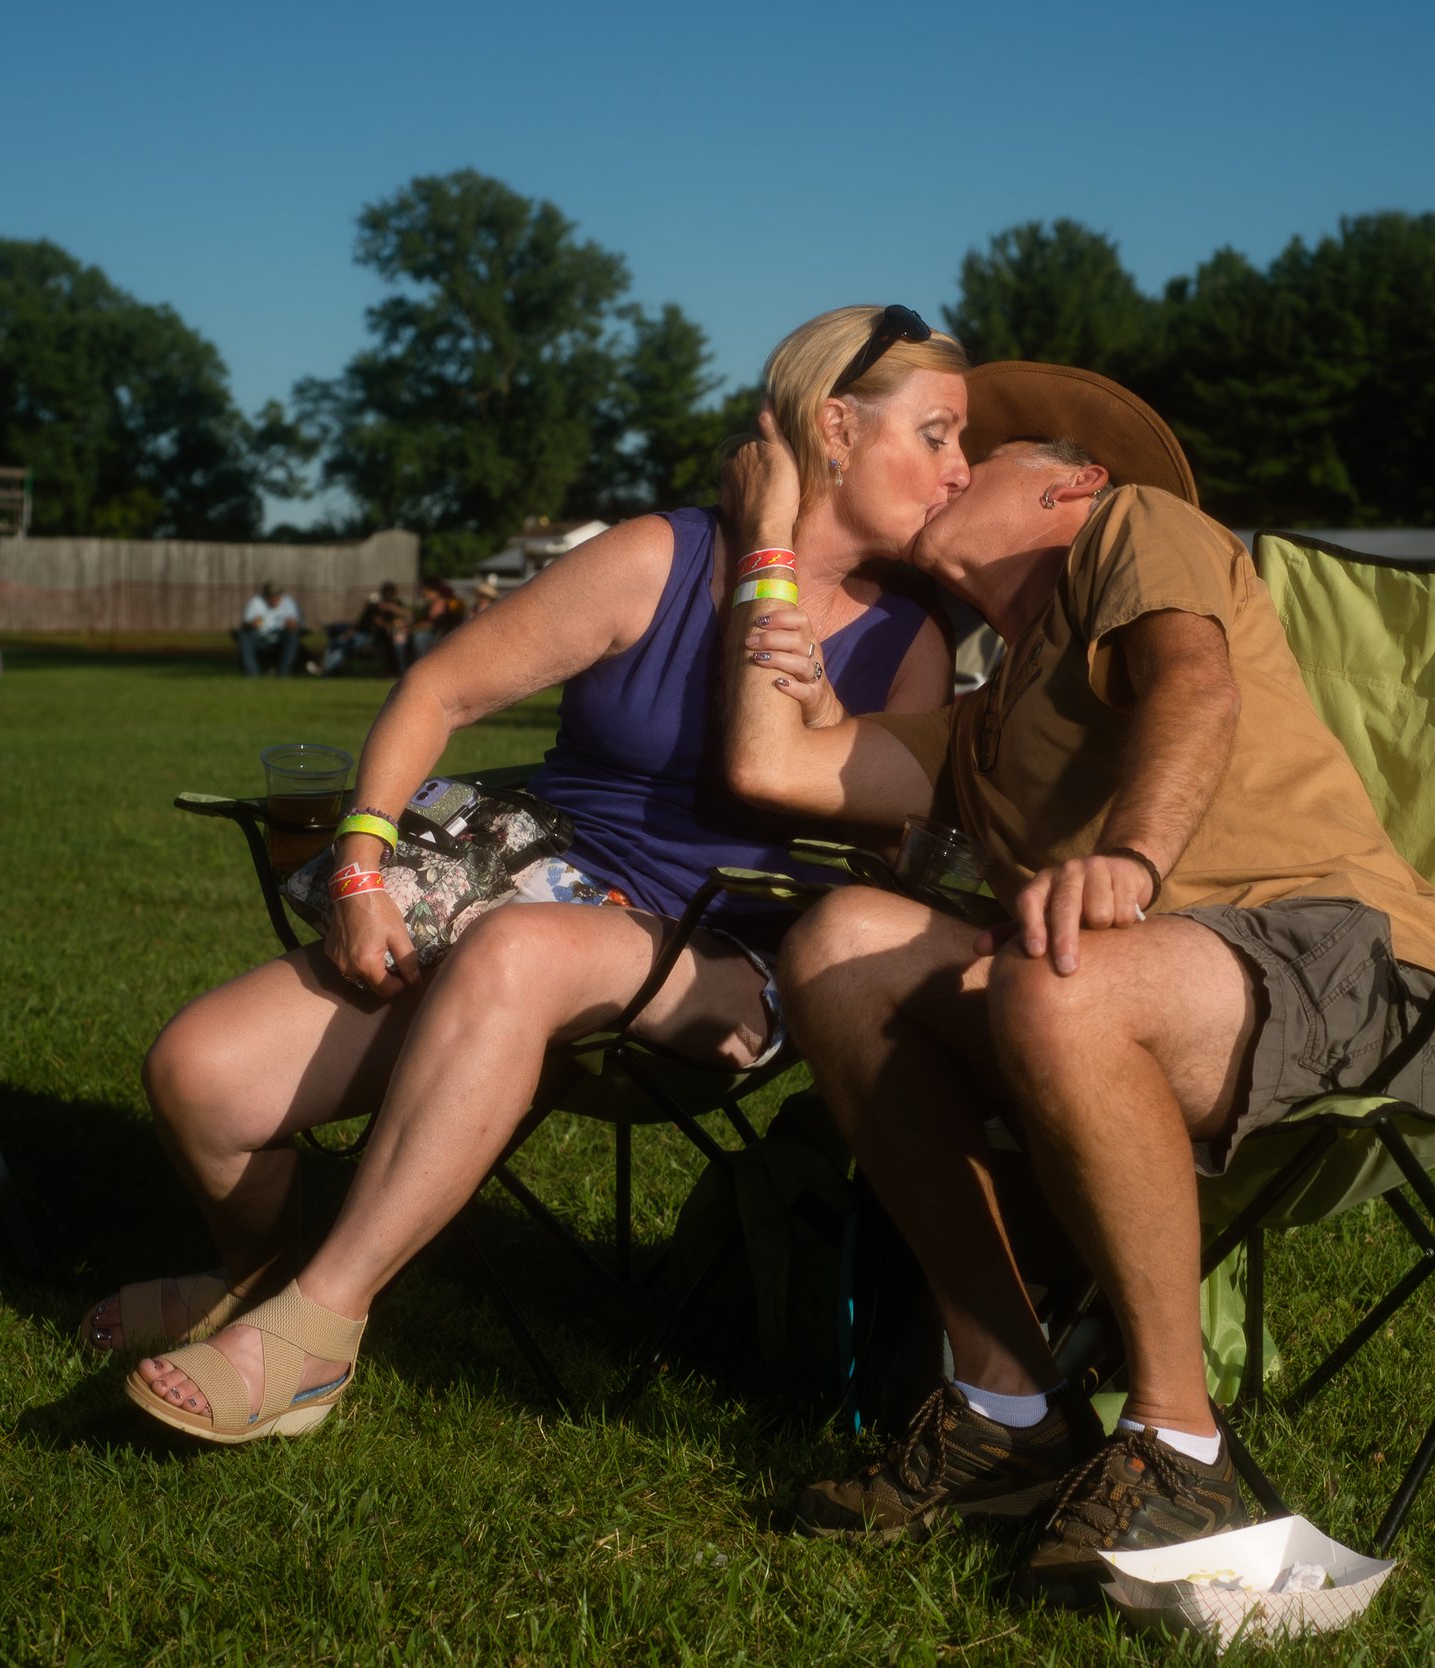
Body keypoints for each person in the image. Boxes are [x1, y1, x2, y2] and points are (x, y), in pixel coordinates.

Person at [90, 306, 969, 1446]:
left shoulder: (911, 643)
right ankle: (259, 1281)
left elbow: (897, 857)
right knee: (199, 1077)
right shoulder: (661, 556)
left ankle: (312, 1331)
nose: (960, 471)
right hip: (526, 885)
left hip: (721, 958)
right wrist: (359, 862)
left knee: (518, 952)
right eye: (940, 435)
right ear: (835, 427)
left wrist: (826, 708)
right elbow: (439, 691)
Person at [715, 363, 1435, 1604]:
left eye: (991, 452)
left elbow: (1194, 684)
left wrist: (1130, 857)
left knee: (1060, 982)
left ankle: (1181, 1444)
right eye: (946, 447)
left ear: (1071, 486)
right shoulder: (980, 719)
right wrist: (767, 537)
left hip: (1353, 969)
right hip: (1136, 992)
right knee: (841, 942)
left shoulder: (1139, 527)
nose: (956, 466)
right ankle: (1006, 1401)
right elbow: (769, 762)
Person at [323, 581, 414, 676]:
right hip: (369, 636)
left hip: (385, 637)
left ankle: (402, 671)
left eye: (390, 591)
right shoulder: (375, 605)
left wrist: (391, 608)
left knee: (400, 646)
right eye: (386, 591)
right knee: (340, 645)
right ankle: (326, 668)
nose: (389, 594)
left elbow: (409, 614)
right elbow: (376, 622)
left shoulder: (396, 603)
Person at [239, 581, 303, 677]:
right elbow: (245, 624)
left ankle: (284, 673)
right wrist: (252, 624)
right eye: (271, 596)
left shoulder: (288, 602)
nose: (274, 599)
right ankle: (252, 673)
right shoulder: (256, 602)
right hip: (260, 638)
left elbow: (296, 625)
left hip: (280, 639)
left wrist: (291, 625)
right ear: (265, 596)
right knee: (245, 636)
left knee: (292, 636)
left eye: (277, 596)